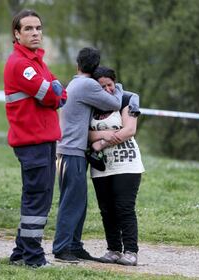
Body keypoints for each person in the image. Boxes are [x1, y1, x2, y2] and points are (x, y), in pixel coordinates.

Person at [3, 9, 67, 268]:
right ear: (16, 34)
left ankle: (20, 253)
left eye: (38, 28)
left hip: (42, 139)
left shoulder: (36, 61)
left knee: (38, 197)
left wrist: (55, 92)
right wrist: (54, 92)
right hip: (33, 141)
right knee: (37, 199)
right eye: (28, 29)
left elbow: (59, 93)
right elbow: (53, 95)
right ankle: (32, 257)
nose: (35, 33)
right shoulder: (21, 64)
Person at [53, 47, 129, 263]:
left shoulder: (75, 83)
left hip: (69, 151)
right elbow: (115, 102)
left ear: (78, 64)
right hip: (71, 152)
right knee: (72, 202)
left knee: (78, 201)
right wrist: (119, 87)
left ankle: (75, 246)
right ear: (95, 68)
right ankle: (61, 248)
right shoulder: (87, 84)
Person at [89, 66, 144, 266]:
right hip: (101, 166)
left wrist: (101, 142)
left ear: (115, 82)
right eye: (101, 86)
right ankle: (113, 249)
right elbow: (85, 134)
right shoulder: (90, 104)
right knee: (106, 209)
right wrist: (106, 135)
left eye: (109, 85)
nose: (107, 90)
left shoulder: (127, 99)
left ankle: (131, 251)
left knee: (124, 208)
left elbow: (129, 130)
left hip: (126, 163)